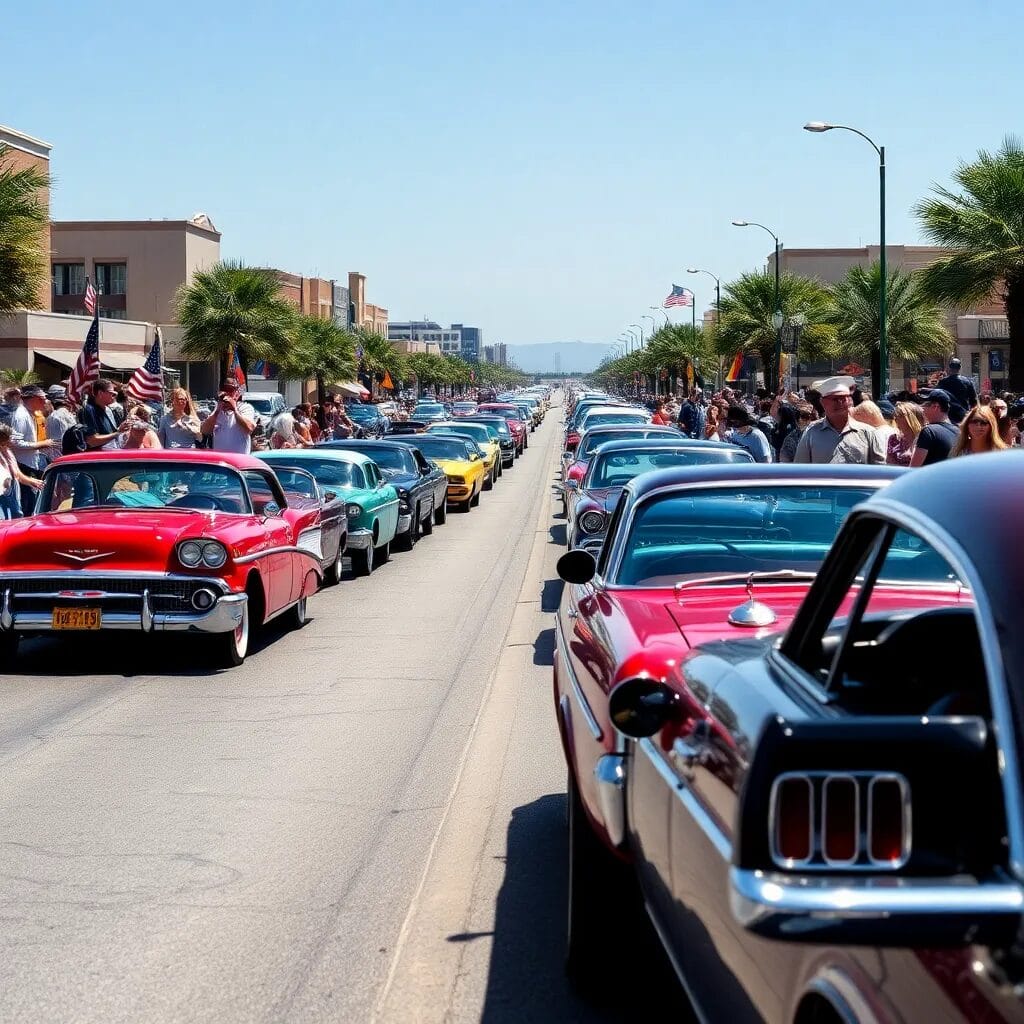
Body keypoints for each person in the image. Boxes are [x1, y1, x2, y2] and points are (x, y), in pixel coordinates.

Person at [793, 376, 887, 464]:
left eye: (843, 399)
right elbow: (800, 468)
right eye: (835, 399)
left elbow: (881, 469)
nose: (840, 403)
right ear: (823, 402)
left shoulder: (868, 433)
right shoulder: (811, 433)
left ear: (850, 401)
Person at [9, 385, 57, 511]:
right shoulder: (21, 416)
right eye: (42, 399)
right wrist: (40, 444)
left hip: (30, 464)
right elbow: (15, 442)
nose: (45, 402)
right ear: (33, 399)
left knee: (32, 503)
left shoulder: (29, 414)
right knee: (26, 504)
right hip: (23, 466)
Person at [200, 380, 257, 454]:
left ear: (237, 393)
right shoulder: (217, 410)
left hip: (239, 459)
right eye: (224, 389)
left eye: (230, 390)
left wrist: (234, 409)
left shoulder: (245, 407)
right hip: (220, 460)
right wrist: (217, 412)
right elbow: (205, 430)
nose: (227, 393)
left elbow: (249, 428)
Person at [0, 423, 43, 518]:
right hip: (2, 495)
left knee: (17, 516)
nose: (8, 444)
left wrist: (32, 482)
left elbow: (17, 474)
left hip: (12, 493)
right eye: (4, 443)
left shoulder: (8, 453)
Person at [910, 389, 959, 467]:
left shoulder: (929, 432)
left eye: (924, 405)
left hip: (931, 478)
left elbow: (913, 468)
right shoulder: (958, 431)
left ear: (935, 406)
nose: (922, 409)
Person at [81, 378, 128, 450]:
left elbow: (109, 433)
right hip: (96, 458)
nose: (114, 396)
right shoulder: (89, 410)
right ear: (100, 393)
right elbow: (92, 441)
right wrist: (117, 433)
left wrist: (120, 429)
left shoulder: (108, 409)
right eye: (111, 393)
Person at [935, 356, 978, 424]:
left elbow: (936, 397)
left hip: (947, 415)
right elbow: (973, 401)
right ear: (960, 367)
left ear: (949, 367)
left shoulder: (943, 382)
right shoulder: (967, 382)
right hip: (963, 415)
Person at [886, 401, 926, 466]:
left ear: (910, 418)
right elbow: (889, 464)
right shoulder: (894, 439)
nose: (895, 419)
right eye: (895, 416)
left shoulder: (924, 438)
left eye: (899, 416)